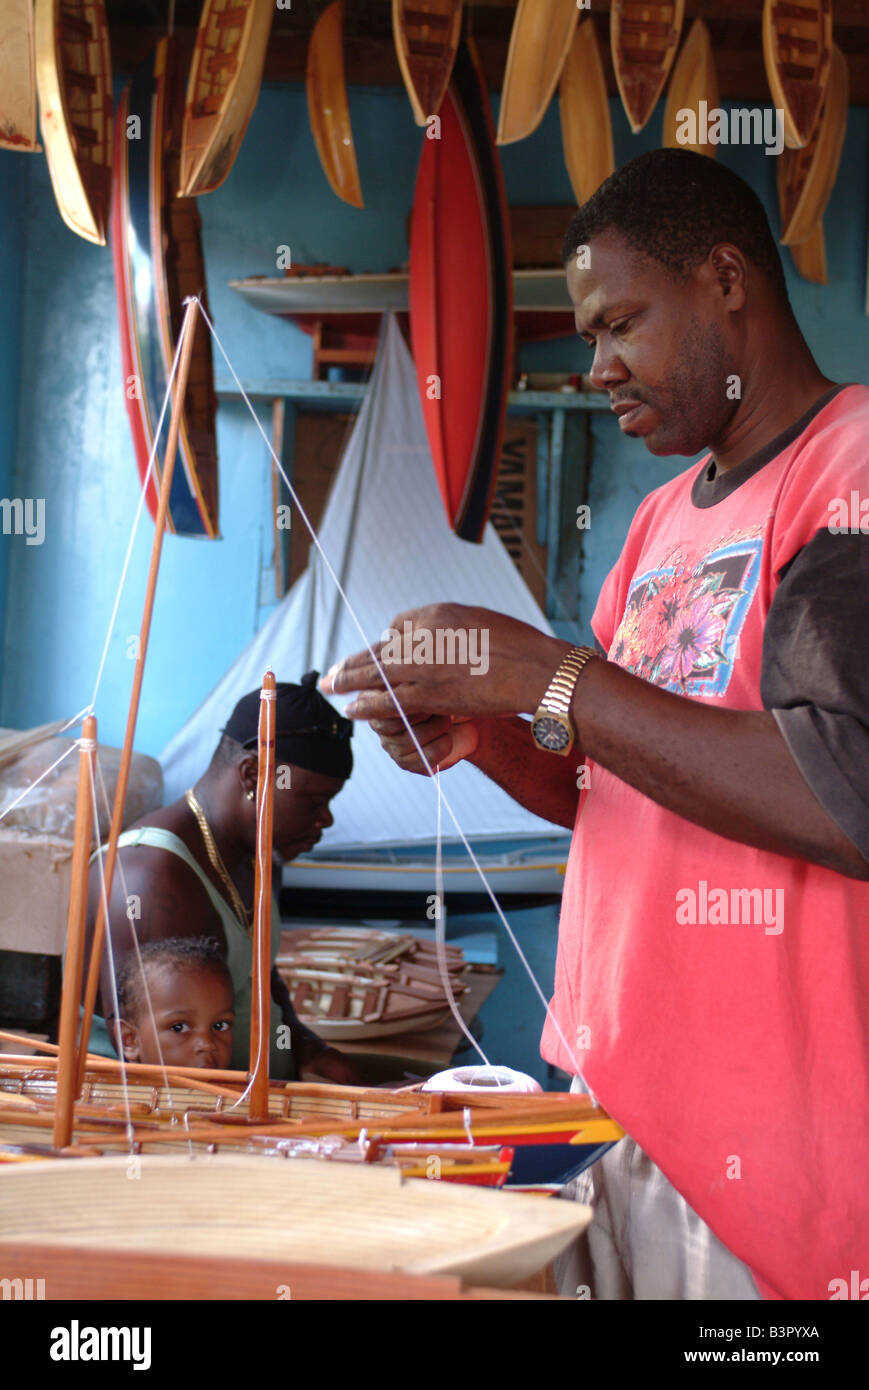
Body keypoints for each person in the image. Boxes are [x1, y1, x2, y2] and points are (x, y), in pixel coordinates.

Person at [321, 149, 869, 1301]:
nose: (598, 368)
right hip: (606, 1089)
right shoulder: (662, 521)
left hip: (773, 1133)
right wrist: (493, 731)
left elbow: (843, 791)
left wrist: (538, 666)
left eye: (619, 322)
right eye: (585, 337)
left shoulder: (847, 470)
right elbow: (605, 784)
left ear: (725, 278)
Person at [83, 671, 359, 1085]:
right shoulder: (151, 876)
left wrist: (306, 1050)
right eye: (315, 801)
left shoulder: (254, 852)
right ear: (252, 775)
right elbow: (173, 1080)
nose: (326, 818)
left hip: (260, 1094)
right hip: (186, 1123)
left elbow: (257, 976)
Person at [113, 936, 235, 1070]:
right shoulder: (99, 1090)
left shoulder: (247, 1091)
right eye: (179, 1027)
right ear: (130, 1040)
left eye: (220, 1026)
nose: (207, 1044)